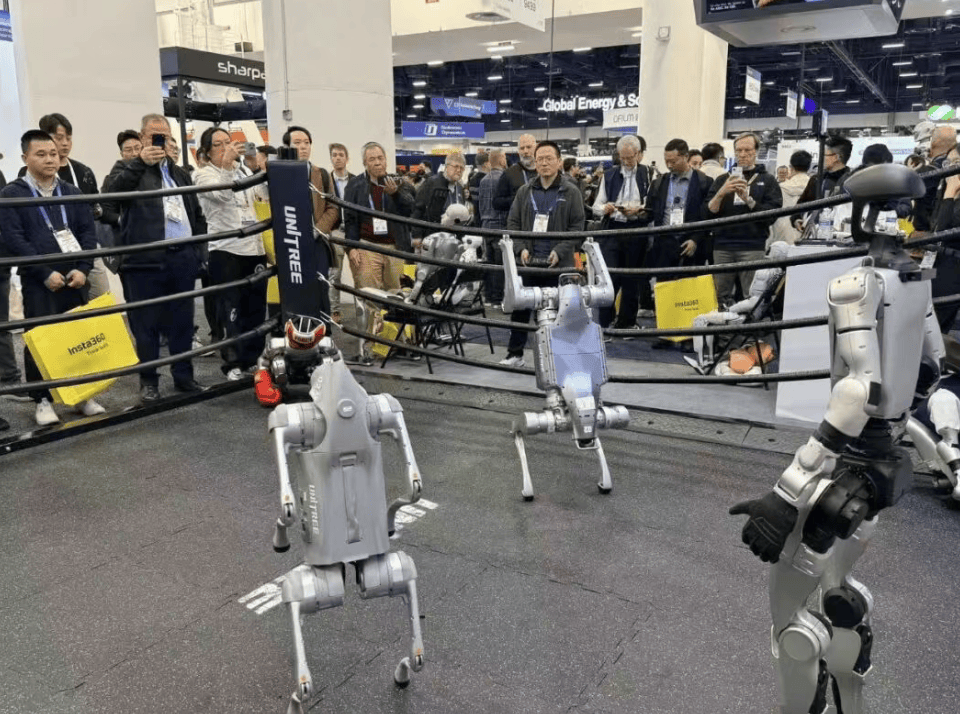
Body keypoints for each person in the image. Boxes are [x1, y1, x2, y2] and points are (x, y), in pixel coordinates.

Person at [0, 130, 102, 425]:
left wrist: (83, 268)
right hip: (38, 280)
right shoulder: (12, 194)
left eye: (53, 154)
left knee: (78, 337)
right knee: (40, 339)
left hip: (75, 276)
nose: (49, 159)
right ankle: (42, 399)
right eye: (41, 154)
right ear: (25, 158)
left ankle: (82, 394)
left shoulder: (71, 191)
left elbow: (87, 232)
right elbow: (14, 239)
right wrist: (44, 272)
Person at [109, 113, 208, 403]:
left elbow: (197, 215)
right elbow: (110, 196)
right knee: (146, 326)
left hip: (182, 257)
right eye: (154, 136)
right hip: (145, 261)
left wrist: (199, 253)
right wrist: (141, 162)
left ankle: (184, 376)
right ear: (142, 138)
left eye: (164, 136)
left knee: (183, 322)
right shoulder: (127, 168)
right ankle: (149, 381)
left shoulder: (179, 173)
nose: (160, 141)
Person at [499, 140, 584, 368]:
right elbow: (513, 223)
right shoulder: (524, 192)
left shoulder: (571, 192)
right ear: (535, 164)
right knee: (521, 310)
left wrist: (560, 250)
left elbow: (577, 227)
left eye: (549, 159)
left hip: (559, 264)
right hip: (529, 262)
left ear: (559, 162)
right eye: (540, 159)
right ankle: (515, 354)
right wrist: (521, 248)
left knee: (560, 313)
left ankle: (561, 360)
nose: (544, 163)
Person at [194, 127, 267, 381]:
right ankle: (233, 364)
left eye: (229, 141)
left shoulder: (243, 170)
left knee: (255, 308)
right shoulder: (203, 175)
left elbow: (263, 197)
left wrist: (259, 171)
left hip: (254, 247)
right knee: (231, 310)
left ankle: (253, 359)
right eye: (219, 144)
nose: (226, 147)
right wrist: (226, 166)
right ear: (207, 151)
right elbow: (222, 196)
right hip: (227, 250)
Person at [343, 141, 416, 364]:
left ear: (386, 160)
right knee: (369, 296)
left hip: (396, 247)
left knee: (399, 296)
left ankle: (399, 344)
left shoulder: (398, 182)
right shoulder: (355, 185)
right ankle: (368, 347)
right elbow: (350, 219)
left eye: (380, 158)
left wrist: (395, 194)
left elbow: (410, 209)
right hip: (367, 246)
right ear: (365, 163)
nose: (377, 163)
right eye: (372, 159)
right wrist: (351, 247)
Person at [705, 132, 783, 307]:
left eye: (747, 150)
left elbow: (772, 215)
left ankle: (750, 324)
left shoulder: (768, 180)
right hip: (722, 246)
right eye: (739, 150)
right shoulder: (722, 180)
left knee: (752, 295)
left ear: (756, 151)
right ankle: (723, 325)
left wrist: (749, 200)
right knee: (719, 295)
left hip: (752, 246)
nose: (742, 154)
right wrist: (721, 192)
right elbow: (708, 212)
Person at [591, 134, 654, 329]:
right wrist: (605, 208)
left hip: (636, 229)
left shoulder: (649, 174)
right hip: (612, 229)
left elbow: (652, 204)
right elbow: (596, 206)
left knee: (631, 280)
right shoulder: (609, 175)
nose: (626, 162)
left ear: (639, 154)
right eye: (623, 157)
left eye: (630, 157)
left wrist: (638, 210)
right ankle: (605, 322)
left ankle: (627, 323)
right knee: (608, 277)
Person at [644, 139, 713, 279]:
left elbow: (707, 215)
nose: (669, 165)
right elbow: (649, 212)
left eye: (673, 161)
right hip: (664, 244)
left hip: (691, 244)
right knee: (665, 287)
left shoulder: (704, 182)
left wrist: (695, 239)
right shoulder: (659, 183)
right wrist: (638, 212)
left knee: (690, 289)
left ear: (686, 157)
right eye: (666, 161)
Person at [281, 126, 339, 236]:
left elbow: (333, 207)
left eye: (307, 143)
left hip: (318, 236)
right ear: (287, 147)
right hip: (291, 236)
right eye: (297, 143)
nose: (303, 147)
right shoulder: (281, 175)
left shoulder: (322, 174)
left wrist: (317, 231)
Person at [412, 152, 469, 241]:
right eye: (456, 166)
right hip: (433, 235)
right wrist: (417, 235)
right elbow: (418, 209)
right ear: (447, 166)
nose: (459, 170)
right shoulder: (431, 183)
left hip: (455, 237)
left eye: (462, 168)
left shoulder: (460, 187)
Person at [328, 142, 355, 323]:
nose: (337, 158)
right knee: (334, 274)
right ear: (331, 158)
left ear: (347, 158)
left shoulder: (356, 180)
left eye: (341, 155)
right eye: (334, 155)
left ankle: (364, 309)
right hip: (335, 231)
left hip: (354, 232)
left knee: (360, 273)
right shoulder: (326, 181)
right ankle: (335, 311)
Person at [913, 125, 958, 233]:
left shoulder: (926, 171)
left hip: (926, 229)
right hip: (945, 227)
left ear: (934, 142)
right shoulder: (952, 168)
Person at [478, 149, 508, 308]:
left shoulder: (483, 180)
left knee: (488, 263)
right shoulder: (505, 179)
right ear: (501, 160)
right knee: (499, 265)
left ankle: (488, 297)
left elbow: (480, 206)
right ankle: (497, 298)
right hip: (500, 226)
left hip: (486, 226)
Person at [770, 150, 813, 245]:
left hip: (782, 239)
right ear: (808, 167)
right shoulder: (815, 188)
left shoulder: (780, 188)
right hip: (807, 238)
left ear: (791, 167)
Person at [493, 133, 538, 214]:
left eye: (529, 147)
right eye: (522, 148)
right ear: (518, 151)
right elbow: (496, 203)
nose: (525, 151)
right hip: (518, 219)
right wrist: (518, 200)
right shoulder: (509, 173)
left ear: (536, 148)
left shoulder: (543, 171)